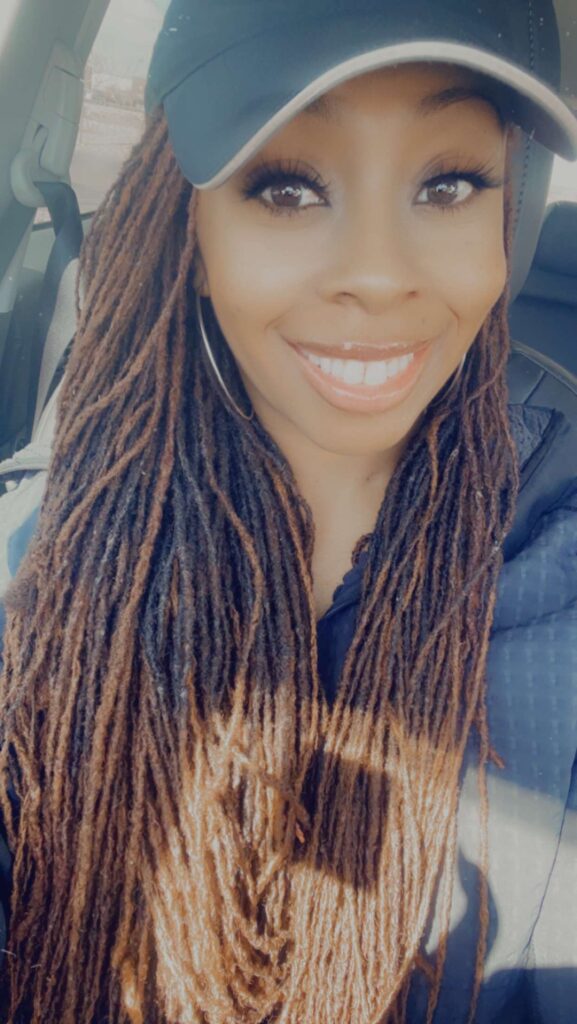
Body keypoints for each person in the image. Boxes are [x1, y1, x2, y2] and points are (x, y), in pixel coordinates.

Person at [0, 0, 576, 1021]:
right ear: (185, 220)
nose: (378, 274)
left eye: (448, 183)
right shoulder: (45, 567)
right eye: (286, 185)